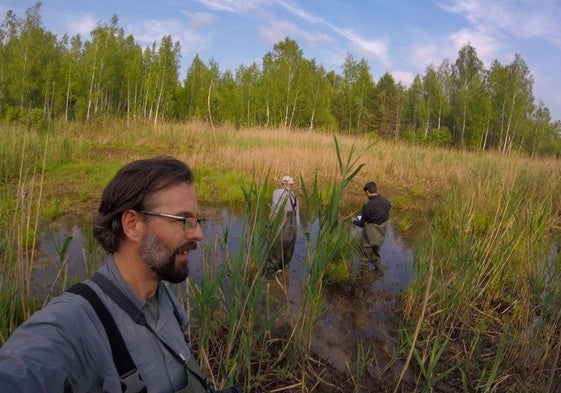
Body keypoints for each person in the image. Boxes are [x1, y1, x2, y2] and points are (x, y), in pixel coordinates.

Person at [0, 157, 240, 393]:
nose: (198, 234)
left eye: (197, 220)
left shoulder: (165, 300)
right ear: (133, 224)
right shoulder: (74, 324)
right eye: (184, 220)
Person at [353, 181, 391, 275]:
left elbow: (362, 223)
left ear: (367, 192)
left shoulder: (368, 206)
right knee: (375, 254)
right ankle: (380, 271)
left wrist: (355, 222)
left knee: (365, 254)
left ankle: (364, 274)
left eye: (366, 193)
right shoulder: (387, 202)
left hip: (371, 233)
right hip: (381, 233)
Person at [266, 175, 300, 270]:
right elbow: (297, 219)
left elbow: (275, 211)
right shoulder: (295, 197)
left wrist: (269, 228)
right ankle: (283, 273)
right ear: (291, 185)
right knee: (286, 254)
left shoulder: (277, 192)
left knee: (274, 252)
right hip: (292, 229)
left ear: (281, 184)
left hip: (281, 226)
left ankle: (270, 278)